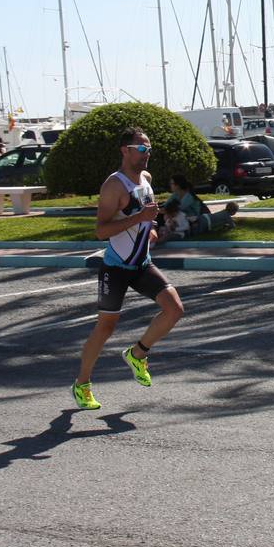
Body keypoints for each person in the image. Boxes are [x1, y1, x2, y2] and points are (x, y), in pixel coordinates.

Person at [72, 127, 185, 410]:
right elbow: (101, 231)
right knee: (105, 327)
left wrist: (152, 228)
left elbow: (148, 215)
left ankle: (137, 353)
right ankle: (82, 384)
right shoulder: (114, 186)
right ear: (126, 150)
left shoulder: (145, 179)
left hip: (141, 264)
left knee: (174, 309)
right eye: (143, 148)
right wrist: (138, 219)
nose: (148, 154)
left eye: (149, 148)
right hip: (116, 268)